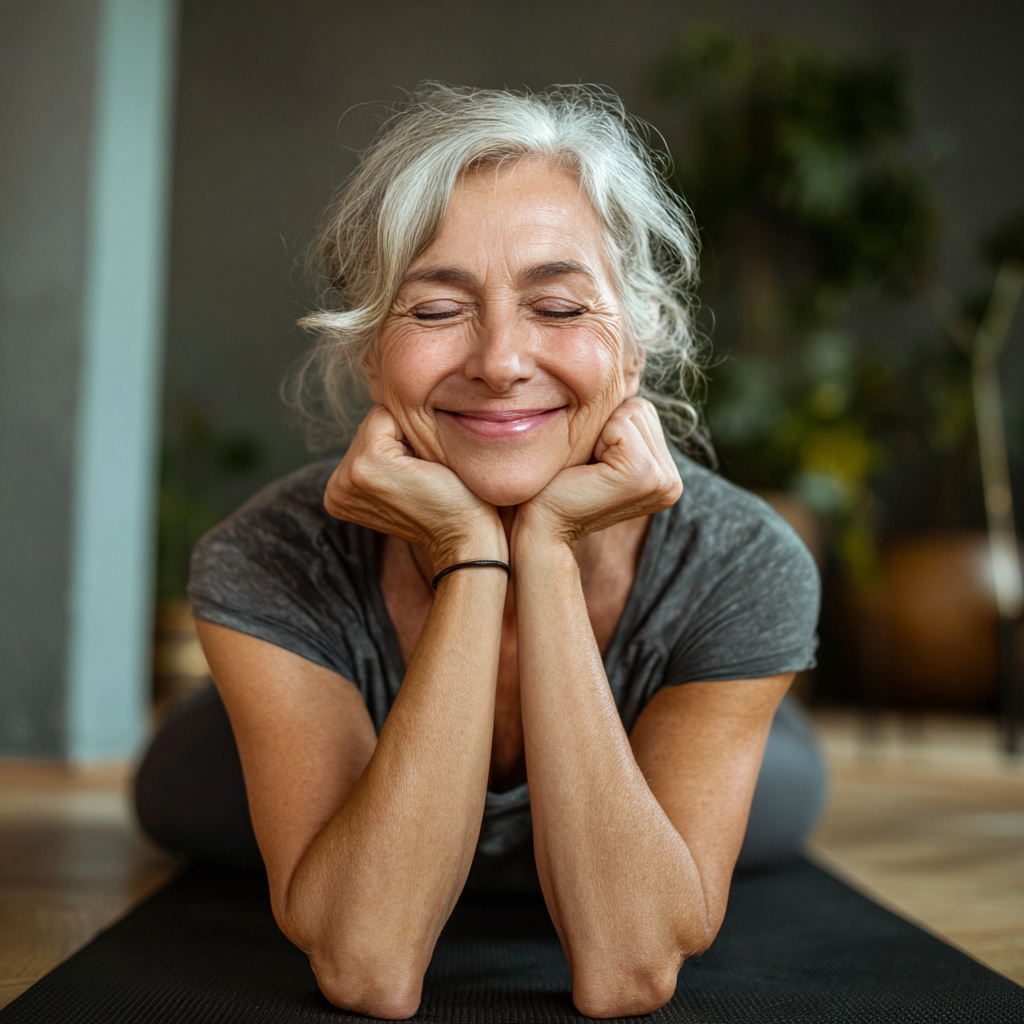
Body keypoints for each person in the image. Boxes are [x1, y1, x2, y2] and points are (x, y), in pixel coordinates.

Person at [136, 85, 824, 1020]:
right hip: (250, 760)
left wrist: (544, 547)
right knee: (175, 793)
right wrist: (472, 549)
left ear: (639, 339)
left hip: (698, 733)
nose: (500, 360)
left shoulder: (746, 560)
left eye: (557, 305)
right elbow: (368, 966)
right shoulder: (268, 554)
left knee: (782, 805)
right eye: (433, 311)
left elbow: (628, 969)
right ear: (371, 353)